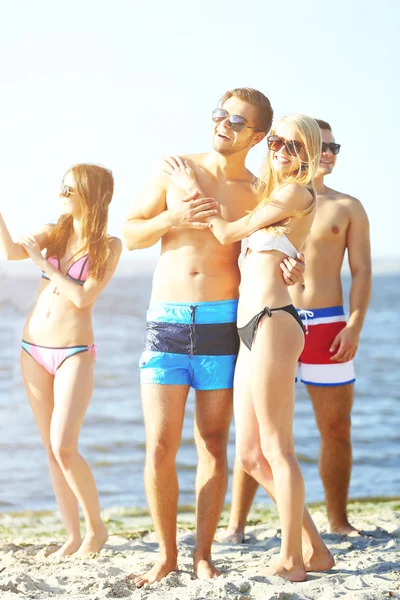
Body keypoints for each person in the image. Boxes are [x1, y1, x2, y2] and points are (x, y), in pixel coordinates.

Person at [123, 88, 306, 586]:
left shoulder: (259, 189)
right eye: (219, 114)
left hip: (223, 323)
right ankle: (166, 556)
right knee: (159, 445)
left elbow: (271, 244)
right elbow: (131, 233)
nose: (223, 124)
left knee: (212, 443)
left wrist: (294, 267)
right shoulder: (175, 169)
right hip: (167, 317)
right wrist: (173, 217)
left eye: (236, 121)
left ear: (258, 136)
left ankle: (203, 553)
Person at [163, 114, 335, 581]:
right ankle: (316, 549)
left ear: (311, 153)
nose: (283, 150)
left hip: (273, 324)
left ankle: (292, 559)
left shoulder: (295, 193)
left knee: (278, 450)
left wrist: (188, 184)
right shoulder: (270, 195)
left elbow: (226, 232)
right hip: (251, 327)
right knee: (251, 457)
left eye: (296, 146)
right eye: (277, 141)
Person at [224, 119, 372, 543]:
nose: (328, 152)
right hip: (273, 315)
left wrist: (355, 326)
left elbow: (361, 272)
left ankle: (337, 521)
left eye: (334, 146)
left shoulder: (346, 206)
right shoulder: (267, 196)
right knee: (258, 435)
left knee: (333, 428)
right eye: (320, 145)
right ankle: (236, 524)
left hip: (324, 322)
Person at [0, 164, 122, 557]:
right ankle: (73, 535)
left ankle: (96, 529)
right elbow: (12, 251)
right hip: (32, 347)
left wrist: (43, 265)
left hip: (73, 352)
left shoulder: (108, 245)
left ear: (90, 195)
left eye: (69, 189)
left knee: (64, 445)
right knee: (51, 450)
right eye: (62, 187)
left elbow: (84, 298)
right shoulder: (55, 232)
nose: (62, 194)